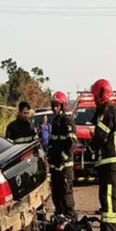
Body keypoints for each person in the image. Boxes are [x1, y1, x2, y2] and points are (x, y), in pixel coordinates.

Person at [88, 78, 116, 231]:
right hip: (106, 162)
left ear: (101, 95)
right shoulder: (107, 109)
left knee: (108, 199)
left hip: (110, 161)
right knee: (104, 199)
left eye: (95, 97)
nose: (94, 100)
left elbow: (101, 136)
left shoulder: (107, 109)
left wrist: (91, 147)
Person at [47, 91, 77, 219]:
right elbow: (52, 143)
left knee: (66, 193)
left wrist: (62, 159)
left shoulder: (67, 122)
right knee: (56, 193)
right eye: (53, 105)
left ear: (62, 106)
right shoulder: (55, 122)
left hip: (65, 166)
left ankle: (70, 216)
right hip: (55, 166)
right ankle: (59, 216)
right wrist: (50, 158)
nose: (54, 108)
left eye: (57, 105)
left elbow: (72, 143)